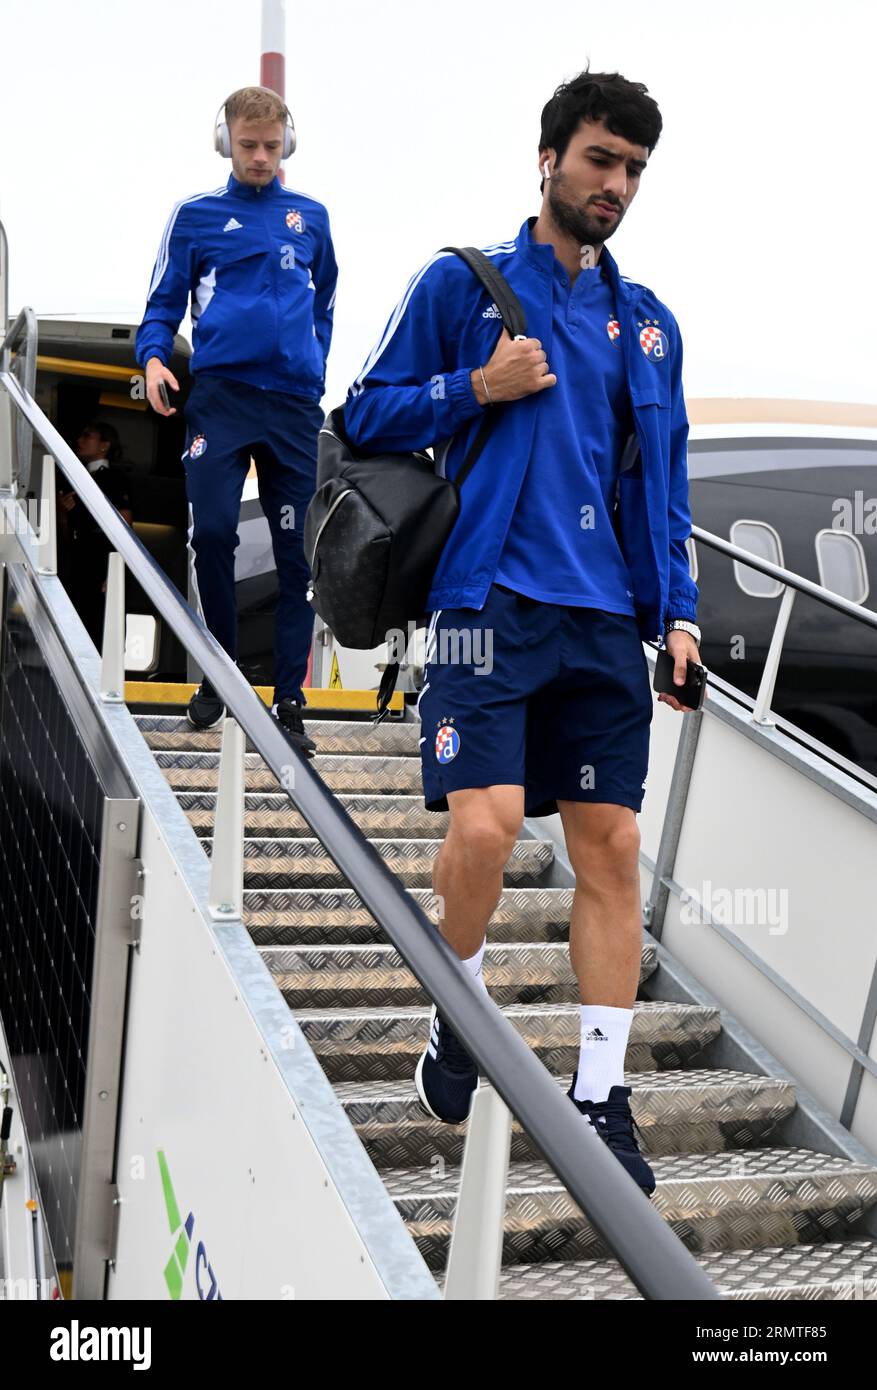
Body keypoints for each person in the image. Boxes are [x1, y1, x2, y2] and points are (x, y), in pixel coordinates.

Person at [344, 68, 703, 1197]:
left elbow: (668, 480)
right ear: (547, 159)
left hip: (604, 619)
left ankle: (602, 1096)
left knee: (610, 848)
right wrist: (472, 386)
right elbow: (361, 413)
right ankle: (461, 1007)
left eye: (634, 169)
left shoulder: (646, 326)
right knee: (489, 828)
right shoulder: (463, 283)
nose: (617, 184)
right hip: (479, 602)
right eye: (600, 159)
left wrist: (680, 608)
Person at [135, 85, 338, 756]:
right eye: (247, 145)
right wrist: (154, 359)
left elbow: (325, 304)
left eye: (270, 147)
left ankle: (288, 698)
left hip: (290, 408)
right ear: (225, 141)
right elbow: (162, 304)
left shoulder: (312, 217)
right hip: (220, 400)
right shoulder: (194, 216)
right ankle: (218, 677)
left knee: (294, 559)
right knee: (214, 534)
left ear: (287, 145)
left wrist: (313, 369)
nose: (259, 157)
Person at [58, 422, 133, 646]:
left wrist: (115, 569)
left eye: (87, 436)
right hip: (76, 558)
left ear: (104, 446)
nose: (80, 441)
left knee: (99, 625)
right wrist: (62, 512)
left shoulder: (115, 478)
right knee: (73, 623)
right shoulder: (72, 477)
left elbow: (125, 525)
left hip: (101, 559)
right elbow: (65, 531)